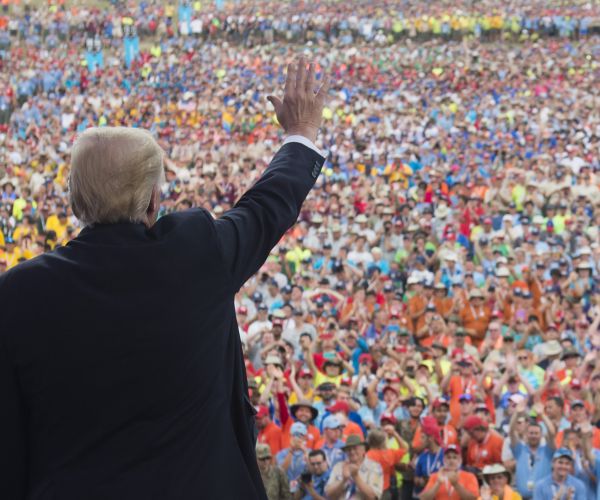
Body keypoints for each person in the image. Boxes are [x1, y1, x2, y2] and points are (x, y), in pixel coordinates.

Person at [0, 57, 330, 499]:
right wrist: (301, 133)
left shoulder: (20, 291)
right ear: (154, 197)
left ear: (76, 200)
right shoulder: (194, 252)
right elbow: (266, 207)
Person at [325, 434, 384, 500]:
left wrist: (356, 476)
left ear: (363, 450)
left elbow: (373, 497)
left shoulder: (374, 467)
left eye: (355, 448)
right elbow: (328, 494)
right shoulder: (339, 466)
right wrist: (343, 480)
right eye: (349, 449)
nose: (352, 452)